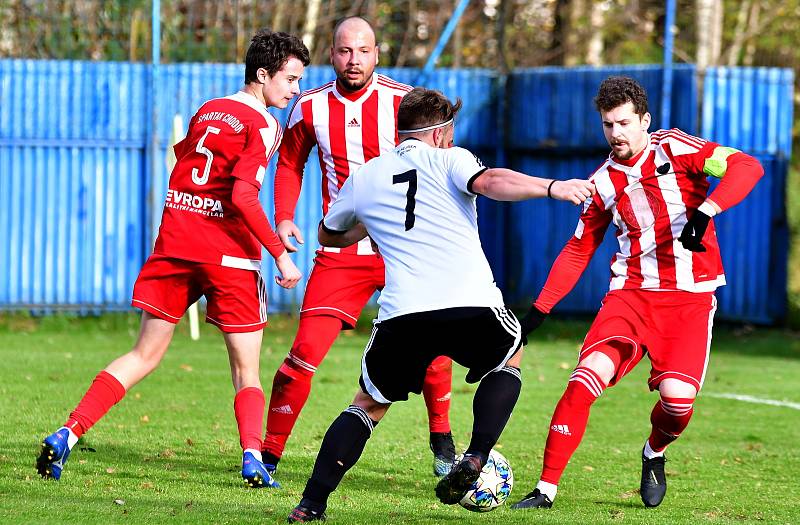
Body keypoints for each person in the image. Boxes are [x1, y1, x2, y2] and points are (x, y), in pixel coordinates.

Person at [286, 87, 596, 522]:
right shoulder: (452, 158)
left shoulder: (366, 176)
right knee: (509, 357)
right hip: (469, 301)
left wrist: (370, 227)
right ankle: (475, 456)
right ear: (438, 134)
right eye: (449, 131)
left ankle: (310, 504)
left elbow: (328, 234)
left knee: (367, 405)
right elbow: (490, 182)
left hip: (403, 313)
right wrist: (551, 187)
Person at [36, 30, 310, 489]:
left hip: (176, 244)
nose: (295, 89)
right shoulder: (265, 124)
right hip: (228, 257)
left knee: (144, 354)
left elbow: (182, 160)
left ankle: (68, 432)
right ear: (262, 75)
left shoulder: (208, 109)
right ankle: (252, 458)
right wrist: (280, 256)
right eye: (290, 79)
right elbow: (243, 194)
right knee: (246, 369)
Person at [511, 76, 764, 511]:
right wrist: (539, 310)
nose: (616, 134)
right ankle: (545, 490)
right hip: (630, 295)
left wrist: (707, 209)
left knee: (677, 401)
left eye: (624, 123)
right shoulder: (602, 182)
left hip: (689, 297)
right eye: (608, 125)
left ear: (644, 120)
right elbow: (578, 249)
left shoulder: (680, 149)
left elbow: (748, 167)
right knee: (584, 378)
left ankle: (654, 452)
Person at [263, 16, 456, 479]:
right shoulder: (309, 106)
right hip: (341, 255)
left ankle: (443, 439)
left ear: (377, 54)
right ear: (332, 54)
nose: (354, 61)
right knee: (301, 356)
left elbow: (445, 161)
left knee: (434, 348)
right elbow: (289, 163)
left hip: (404, 253)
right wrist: (285, 216)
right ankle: (266, 456)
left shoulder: (403, 103)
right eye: (345, 51)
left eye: (363, 51)